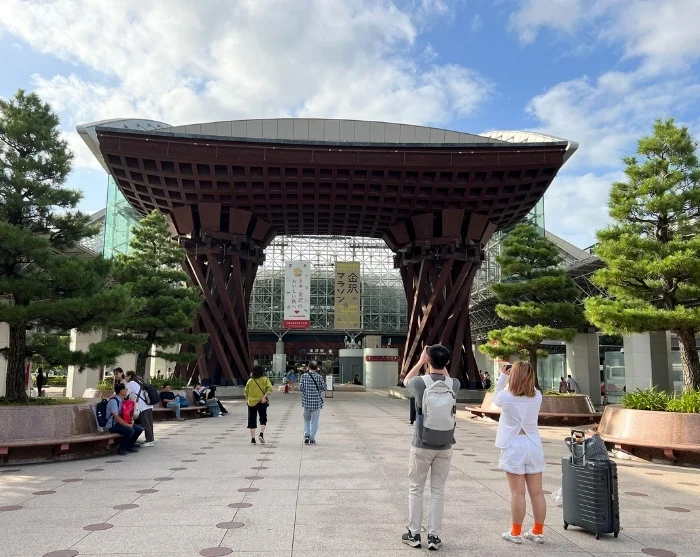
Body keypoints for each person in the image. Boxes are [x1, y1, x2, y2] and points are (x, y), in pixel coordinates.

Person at [401, 345, 460, 551]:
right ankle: (434, 537)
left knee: (416, 488)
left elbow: (405, 380)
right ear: (447, 362)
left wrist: (420, 362)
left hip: (421, 443)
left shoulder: (420, 383)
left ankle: (414, 534)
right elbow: (446, 377)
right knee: (438, 491)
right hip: (445, 444)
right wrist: (440, 362)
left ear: (428, 359)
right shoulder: (454, 384)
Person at [493, 361, 546, 545]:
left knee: (517, 493)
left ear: (513, 375)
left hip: (514, 445)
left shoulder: (506, 397)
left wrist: (503, 376)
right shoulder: (537, 396)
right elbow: (528, 391)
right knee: (537, 492)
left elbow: (495, 398)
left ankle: (515, 532)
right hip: (534, 444)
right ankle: (537, 531)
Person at [107, 382, 144, 455]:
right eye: (126, 389)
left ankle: (128, 446)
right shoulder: (113, 401)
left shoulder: (122, 400)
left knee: (139, 429)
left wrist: (131, 421)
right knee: (130, 430)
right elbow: (116, 417)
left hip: (121, 423)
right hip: (113, 425)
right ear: (121, 391)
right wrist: (128, 425)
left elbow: (127, 413)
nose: (127, 390)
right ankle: (120, 449)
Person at [299, 360, 326, 444]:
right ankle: (312, 438)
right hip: (316, 403)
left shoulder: (303, 376)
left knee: (306, 420)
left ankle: (306, 435)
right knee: (314, 421)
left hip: (306, 402)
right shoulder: (319, 377)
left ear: (308, 367)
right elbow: (324, 388)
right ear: (316, 368)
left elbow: (301, 388)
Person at [245, 365, 273, 444]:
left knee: (252, 419)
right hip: (262, 401)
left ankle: (253, 439)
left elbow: (246, 392)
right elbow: (270, 389)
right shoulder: (265, 379)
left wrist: (247, 400)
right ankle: (261, 434)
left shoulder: (250, 381)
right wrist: (264, 397)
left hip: (251, 403)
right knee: (263, 418)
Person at [125, 371, 155, 447]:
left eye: (126, 376)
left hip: (142, 406)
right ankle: (151, 439)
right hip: (148, 405)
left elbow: (125, 393)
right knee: (149, 424)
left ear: (129, 376)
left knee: (146, 424)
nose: (125, 378)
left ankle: (149, 441)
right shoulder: (139, 381)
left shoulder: (131, 383)